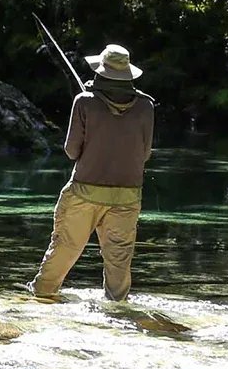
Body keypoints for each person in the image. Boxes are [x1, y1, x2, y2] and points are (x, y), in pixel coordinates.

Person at [29, 43, 155, 302]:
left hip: (84, 192)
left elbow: (71, 151)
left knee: (64, 250)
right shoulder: (146, 107)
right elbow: (144, 155)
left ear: (100, 72)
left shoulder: (84, 102)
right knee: (118, 263)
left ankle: (40, 299)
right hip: (128, 197)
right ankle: (117, 311)